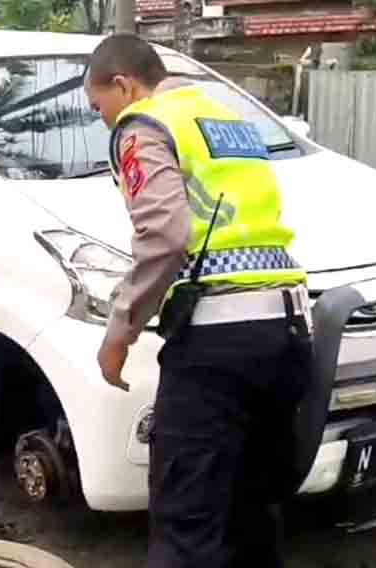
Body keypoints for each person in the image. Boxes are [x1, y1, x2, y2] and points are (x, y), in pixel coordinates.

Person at [84, 34, 314, 567]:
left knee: (186, 524)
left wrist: (119, 332)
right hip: (286, 333)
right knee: (253, 515)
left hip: (217, 345)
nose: (103, 118)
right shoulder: (225, 118)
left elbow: (166, 237)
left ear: (123, 85)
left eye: (98, 105)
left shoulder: (144, 125)